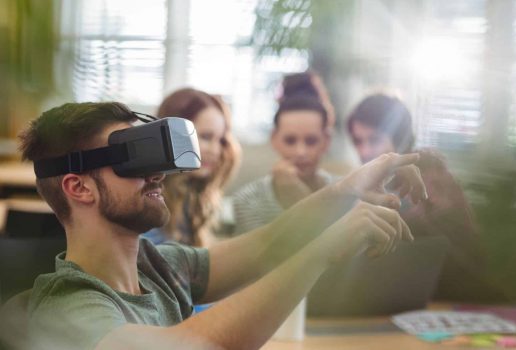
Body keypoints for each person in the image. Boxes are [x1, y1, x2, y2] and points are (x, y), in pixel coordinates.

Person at [0, 101, 427, 350]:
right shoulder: (70, 309)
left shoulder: (157, 266)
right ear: (79, 188)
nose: (158, 175)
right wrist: (321, 251)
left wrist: (346, 189)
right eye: (135, 162)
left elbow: (265, 247)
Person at [347, 91, 502, 301]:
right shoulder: (375, 184)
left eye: (374, 140)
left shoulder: (429, 178)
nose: (364, 151)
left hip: (451, 298)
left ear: (400, 139)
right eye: (358, 141)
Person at [233, 71, 336, 233]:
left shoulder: (348, 193)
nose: (300, 152)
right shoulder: (248, 199)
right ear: (274, 139)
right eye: (290, 140)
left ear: (326, 141)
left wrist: (299, 197)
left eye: (311, 141)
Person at [143, 88, 241, 246]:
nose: (216, 151)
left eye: (221, 140)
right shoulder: (146, 200)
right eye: (206, 137)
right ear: (172, 135)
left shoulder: (192, 194)